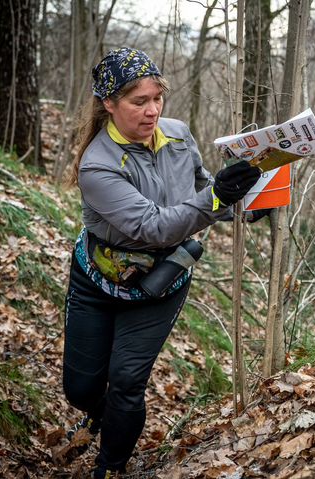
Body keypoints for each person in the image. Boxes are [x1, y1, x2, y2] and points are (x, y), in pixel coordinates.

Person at [62, 48, 266, 479]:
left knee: (127, 383)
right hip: (96, 281)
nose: (152, 110)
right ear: (109, 104)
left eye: (157, 98)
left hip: (161, 282)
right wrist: (216, 199)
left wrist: (246, 206)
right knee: (80, 388)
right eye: (139, 102)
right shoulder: (96, 166)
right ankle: (98, 415)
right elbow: (153, 226)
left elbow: (204, 188)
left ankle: (111, 466)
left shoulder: (178, 135)